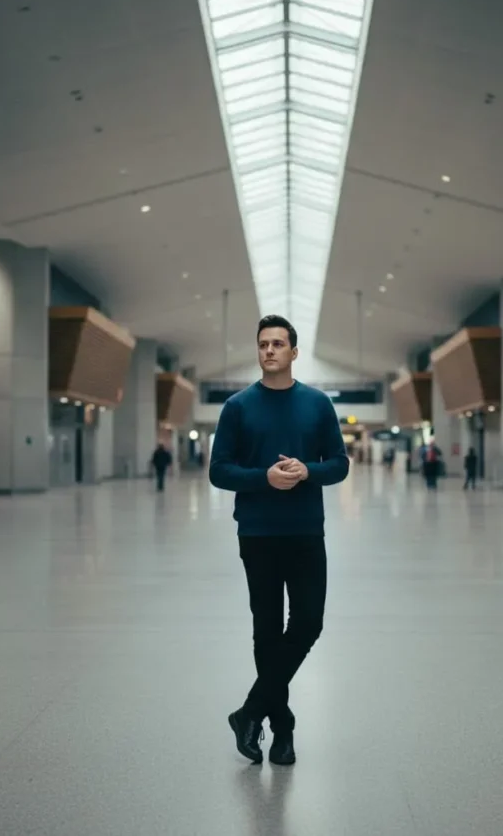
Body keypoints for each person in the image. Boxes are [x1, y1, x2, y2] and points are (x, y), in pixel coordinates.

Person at [209, 315, 350, 766]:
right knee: (266, 632)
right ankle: (283, 730)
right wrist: (265, 479)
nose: (269, 350)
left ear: (294, 352)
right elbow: (219, 470)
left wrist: (309, 470)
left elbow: (340, 463)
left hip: (306, 531)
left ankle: (250, 712)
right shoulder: (238, 407)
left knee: (308, 623)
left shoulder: (317, 404)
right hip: (258, 534)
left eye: (278, 344)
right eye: (263, 344)